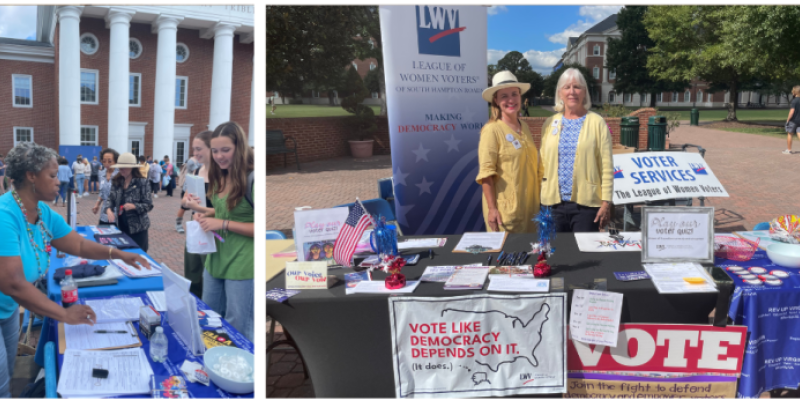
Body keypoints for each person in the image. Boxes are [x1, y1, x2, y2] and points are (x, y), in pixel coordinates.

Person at [0, 142, 150, 398]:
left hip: (8, 309)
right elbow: (12, 283)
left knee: (7, 373)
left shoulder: (42, 212)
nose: (59, 181)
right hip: (8, 299)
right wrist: (63, 314)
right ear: (31, 176)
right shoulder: (5, 214)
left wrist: (118, 253)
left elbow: (77, 243)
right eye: (52, 175)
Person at [183, 122, 253, 341]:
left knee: (237, 324)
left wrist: (222, 224)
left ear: (239, 148)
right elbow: (224, 212)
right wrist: (202, 212)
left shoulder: (252, 179)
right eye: (215, 151)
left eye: (226, 150)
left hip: (243, 261)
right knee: (209, 317)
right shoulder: (220, 176)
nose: (219, 156)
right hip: (215, 258)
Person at [540, 67, 613, 233]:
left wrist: (606, 202)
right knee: (554, 256)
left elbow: (607, 167)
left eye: (577, 87)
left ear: (584, 91)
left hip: (586, 206)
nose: (572, 92)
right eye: (567, 87)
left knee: (584, 255)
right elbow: (542, 164)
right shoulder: (550, 123)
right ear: (560, 93)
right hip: (553, 205)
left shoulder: (597, 122)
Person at [475, 71, 543, 233]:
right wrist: (492, 209)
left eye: (514, 94)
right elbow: (486, 174)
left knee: (532, 255)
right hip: (506, 213)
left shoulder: (524, 127)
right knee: (508, 255)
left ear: (521, 97)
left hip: (530, 209)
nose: (511, 100)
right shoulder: (492, 130)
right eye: (504, 96)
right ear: (496, 101)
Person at [181, 131, 213, 298]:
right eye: (194, 149)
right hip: (196, 229)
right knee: (192, 274)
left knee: (209, 276)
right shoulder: (196, 172)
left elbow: (228, 211)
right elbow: (185, 201)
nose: (195, 154)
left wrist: (202, 211)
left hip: (213, 232)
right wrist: (188, 202)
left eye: (199, 149)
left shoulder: (222, 175)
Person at [106, 153, 154, 251]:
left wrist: (135, 206)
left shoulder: (142, 182)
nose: (120, 170)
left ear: (132, 168)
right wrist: (108, 209)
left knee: (138, 258)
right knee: (123, 257)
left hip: (138, 229)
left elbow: (149, 205)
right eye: (119, 167)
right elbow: (110, 199)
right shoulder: (116, 181)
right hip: (121, 227)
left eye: (124, 167)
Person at [93, 149, 119, 225]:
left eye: (110, 161)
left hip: (117, 215)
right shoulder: (101, 174)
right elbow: (102, 193)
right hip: (104, 215)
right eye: (104, 161)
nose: (106, 163)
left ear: (115, 161)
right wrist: (97, 205)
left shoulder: (120, 175)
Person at [784, 85, 800, 155]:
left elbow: (791, 112)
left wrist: (788, 119)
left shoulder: (794, 101)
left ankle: (789, 150)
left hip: (793, 120)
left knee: (790, 134)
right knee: (799, 133)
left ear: (795, 92)